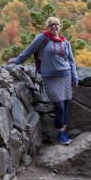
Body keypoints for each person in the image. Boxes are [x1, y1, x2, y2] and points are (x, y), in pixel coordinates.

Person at [8, 17, 78, 145]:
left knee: (66, 105)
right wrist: (17, 60)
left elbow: (71, 61)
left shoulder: (65, 42)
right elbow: (30, 49)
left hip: (65, 76)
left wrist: (75, 77)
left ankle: (63, 132)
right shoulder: (43, 38)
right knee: (59, 106)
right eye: (51, 25)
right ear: (47, 27)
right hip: (50, 78)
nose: (54, 27)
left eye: (56, 24)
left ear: (59, 26)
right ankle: (60, 133)